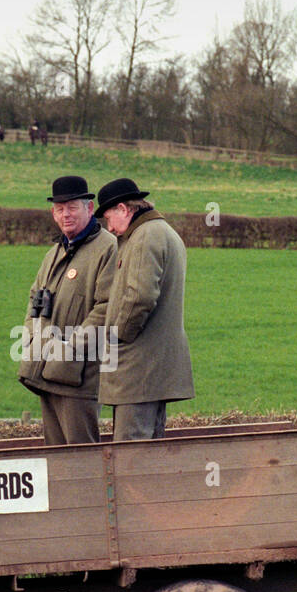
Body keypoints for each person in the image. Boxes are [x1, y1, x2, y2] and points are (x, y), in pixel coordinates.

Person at [18, 176, 117, 445]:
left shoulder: (107, 248)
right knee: (57, 457)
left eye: (72, 207)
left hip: (80, 377)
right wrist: (34, 340)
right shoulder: (54, 252)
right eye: (60, 209)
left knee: (81, 457)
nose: (66, 214)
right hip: (46, 372)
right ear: (53, 213)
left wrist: (68, 349)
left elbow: (106, 308)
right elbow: (34, 301)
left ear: (89, 207)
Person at [96, 178, 193, 440]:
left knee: (131, 454)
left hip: (138, 368)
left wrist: (118, 336)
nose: (110, 228)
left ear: (123, 209)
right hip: (154, 368)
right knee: (151, 453)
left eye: (109, 218)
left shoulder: (144, 236)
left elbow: (140, 296)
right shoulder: (163, 232)